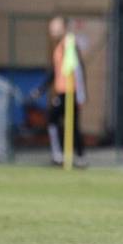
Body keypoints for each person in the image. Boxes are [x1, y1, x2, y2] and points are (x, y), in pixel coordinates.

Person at [31, 16, 87, 167]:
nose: (52, 30)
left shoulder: (69, 44)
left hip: (69, 92)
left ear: (63, 27)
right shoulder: (59, 46)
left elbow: (78, 69)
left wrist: (81, 95)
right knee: (62, 122)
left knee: (55, 119)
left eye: (55, 27)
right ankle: (75, 156)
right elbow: (55, 72)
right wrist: (41, 89)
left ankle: (62, 156)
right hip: (63, 91)